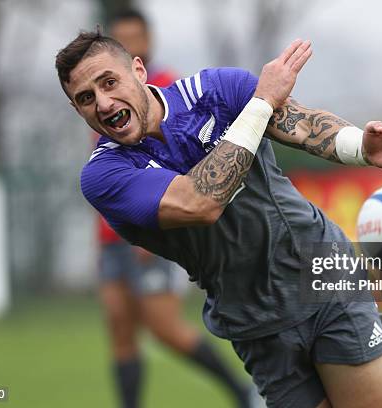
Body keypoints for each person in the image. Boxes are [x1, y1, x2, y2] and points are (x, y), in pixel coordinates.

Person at [56, 28, 382, 407]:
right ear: (76, 108)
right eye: (86, 98)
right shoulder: (103, 176)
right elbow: (201, 201)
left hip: (320, 274)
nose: (103, 103)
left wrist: (360, 147)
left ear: (138, 70)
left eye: (109, 82)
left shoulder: (215, 90)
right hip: (252, 318)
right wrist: (262, 100)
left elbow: (300, 125)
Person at [95, 10, 257, 408]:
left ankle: (242, 393)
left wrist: (148, 234)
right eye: (122, 39)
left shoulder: (166, 89)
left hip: (148, 233)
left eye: (137, 38)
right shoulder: (103, 100)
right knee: (119, 325)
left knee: (165, 328)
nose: (132, 45)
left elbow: (178, 172)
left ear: (147, 43)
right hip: (109, 239)